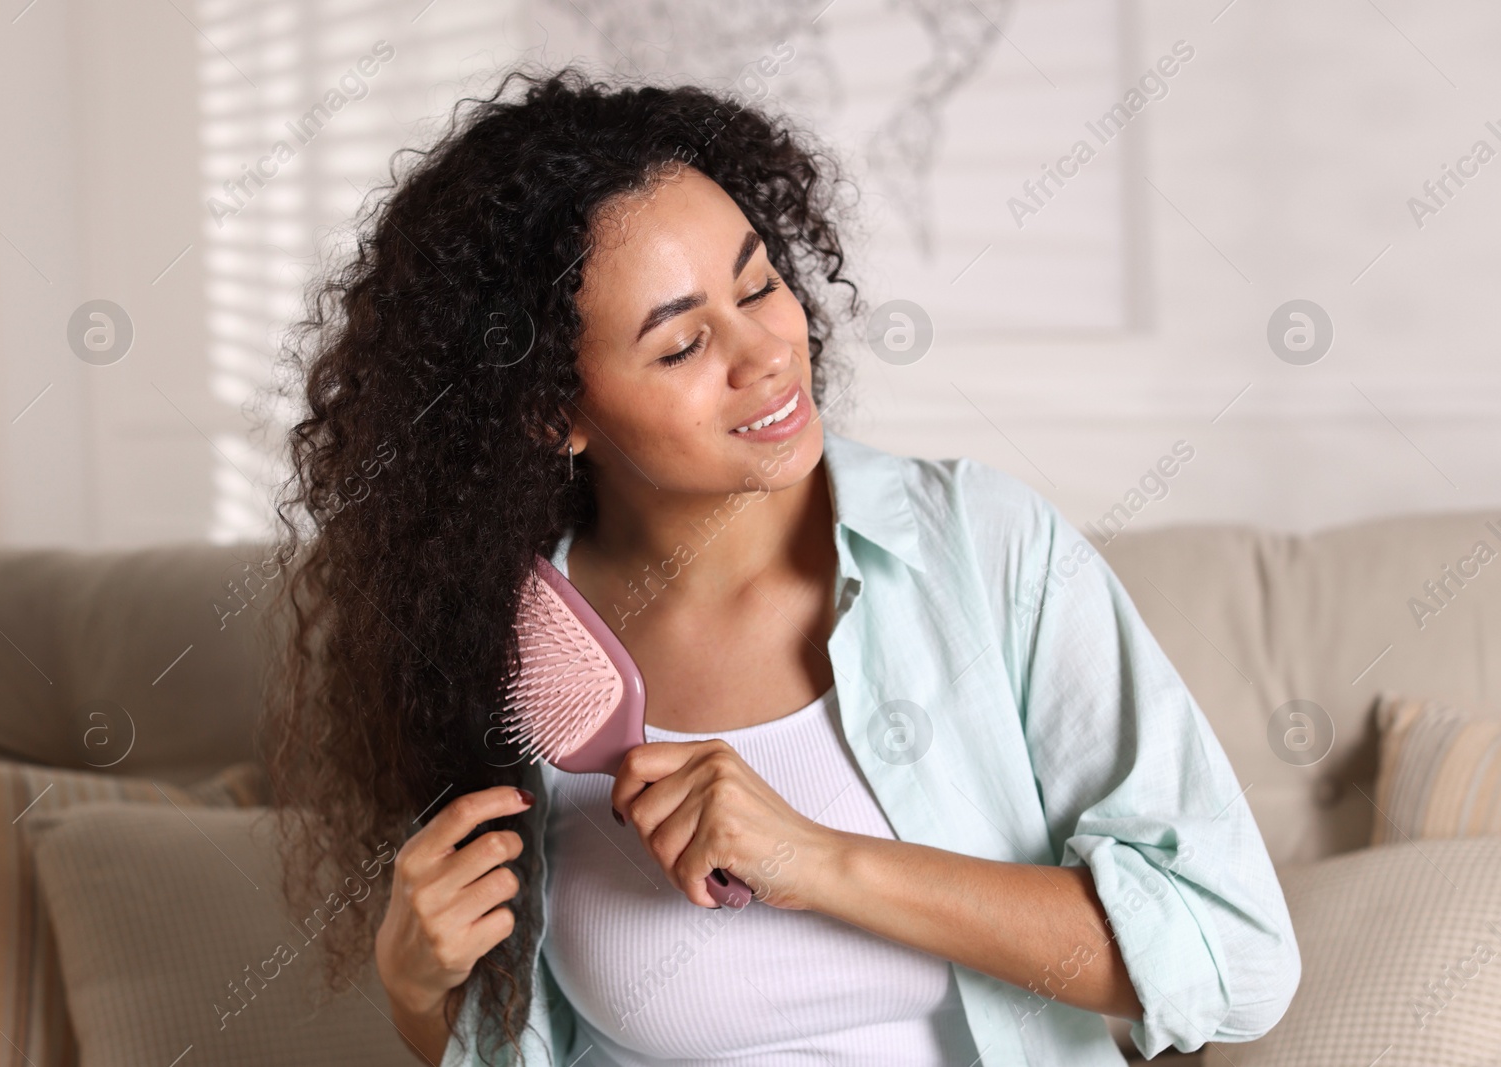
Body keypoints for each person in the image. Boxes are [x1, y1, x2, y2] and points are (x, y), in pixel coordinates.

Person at [260, 65, 1300, 1067]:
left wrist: (814, 858)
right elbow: (518, 1044)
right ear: (551, 411)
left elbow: (1231, 951)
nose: (763, 353)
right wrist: (415, 983)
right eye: (679, 346)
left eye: (759, 285)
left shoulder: (986, 552)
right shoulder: (517, 642)